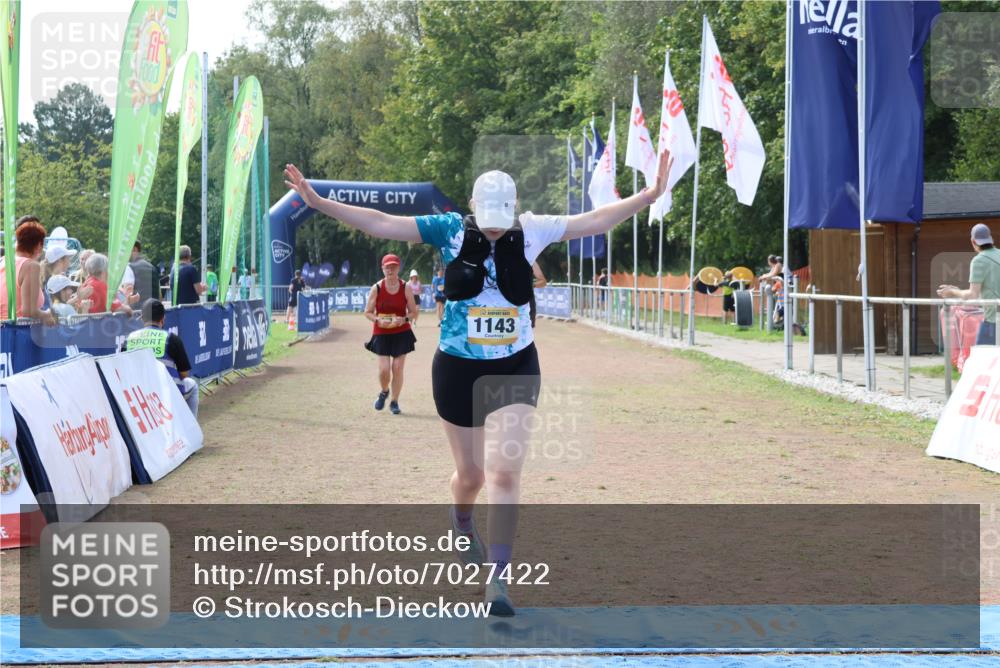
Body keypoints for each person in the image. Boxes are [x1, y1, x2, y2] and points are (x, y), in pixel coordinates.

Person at [284, 149, 671, 616]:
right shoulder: (448, 229)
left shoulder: (531, 229)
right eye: (486, 219)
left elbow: (594, 220)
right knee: (471, 476)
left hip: (515, 364)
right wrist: (316, 200)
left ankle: (498, 581)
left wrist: (648, 194)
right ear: (471, 205)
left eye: (499, 219)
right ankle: (461, 519)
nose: (492, 229)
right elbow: (381, 222)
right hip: (458, 368)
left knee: (505, 474)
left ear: (513, 208)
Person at [123, 299, 199, 417]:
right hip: (167, 394)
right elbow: (184, 374)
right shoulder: (172, 339)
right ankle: (190, 430)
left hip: (137, 395)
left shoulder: (129, 339)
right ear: (163, 319)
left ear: (142, 318)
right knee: (192, 385)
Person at [364, 254, 419, 415]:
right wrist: (378, 321)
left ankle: (394, 401)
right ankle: (384, 391)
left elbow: (414, 311)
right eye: (387, 267)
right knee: (384, 370)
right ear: (382, 269)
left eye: (393, 267)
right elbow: (367, 312)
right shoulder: (377, 288)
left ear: (398, 268)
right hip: (381, 332)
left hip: (401, 332)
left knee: (397, 367)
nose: (390, 270)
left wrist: (404, 319)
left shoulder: (405, 287)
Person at [938, 223, 1000, 346]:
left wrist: (952, 292)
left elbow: (973, 294)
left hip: (993, 321)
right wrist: (958, 290)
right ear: (991, 240)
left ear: (973, 241)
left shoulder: (979, 260)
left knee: (981, 361)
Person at [0, 220, 56, 324]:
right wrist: (48, 315)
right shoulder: (31, 266)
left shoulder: (4, 260)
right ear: (39, 245)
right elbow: (29, 311)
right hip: (18, 332)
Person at [40, 244, 77, 310]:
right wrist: (79, 297)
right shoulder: (52, 281)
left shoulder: (46, 278)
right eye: (67, 258)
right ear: (60, 261)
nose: (69, 262)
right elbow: (55, 308)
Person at [528, 261, 548, 328]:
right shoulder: (498, 256)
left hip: (527, 304)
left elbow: (543, 281)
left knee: (527, 336)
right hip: (503, 305)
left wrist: (530, 285)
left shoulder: (530, 257)